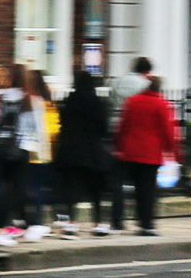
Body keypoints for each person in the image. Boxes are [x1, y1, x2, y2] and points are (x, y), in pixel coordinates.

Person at [110, 74, 180, 236]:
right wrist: (172, 153)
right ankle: (146, 223)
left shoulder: (132, 102)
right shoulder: (162, 104)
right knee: (147, 191)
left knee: (124, 188)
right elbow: (169, 131)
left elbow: (122, 126)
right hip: (151, 155)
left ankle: (118, 221)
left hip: (130, 152)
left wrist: (118, 146)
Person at [55, 69, 113, 236]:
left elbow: (62, 125)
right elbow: (104, 128)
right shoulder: (98, 103)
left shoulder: (68, 102)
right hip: (93, 151)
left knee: (72, 189)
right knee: (96, 189)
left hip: (71, 150)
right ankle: (98, 223)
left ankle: (71, 222)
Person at [0, 65, 36, 246]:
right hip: (20, 149)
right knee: (19, 188)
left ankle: (0, 227)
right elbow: (33, 129)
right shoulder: (29, 100)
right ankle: (21, 225)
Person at [21, 70, 58, 241]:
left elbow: (25, 128)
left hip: (29, 151)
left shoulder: (29, 102)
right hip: (44, 152)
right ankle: (37, 221)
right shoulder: (47, 102)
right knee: (39, 188)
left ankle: (34, 222)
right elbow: (54, 129)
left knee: (31, 187)